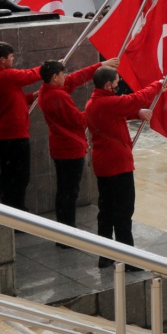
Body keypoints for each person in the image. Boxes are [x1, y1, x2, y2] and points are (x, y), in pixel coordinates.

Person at [85, 64, 161, 267]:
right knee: (123, 211)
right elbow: (134, 99)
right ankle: (128, 258)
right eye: (117, 83)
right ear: (108, 84)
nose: (118, 87)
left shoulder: (94, 103)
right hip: (118, 164)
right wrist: (157, 85)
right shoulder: (108, 103)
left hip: (103, 163)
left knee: (107, 211)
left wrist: (137, 114)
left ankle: (105, 255)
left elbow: (118, 112)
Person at [39, 56, 113, 233]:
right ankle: (68, 231)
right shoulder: (58, 96)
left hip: (59, 148)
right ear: (55, 77)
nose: (66, 77)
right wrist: (93, 107)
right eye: (63, 74)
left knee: (63, 190)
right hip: (70, 149)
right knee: (69, 193)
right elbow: (79, 121)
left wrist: (100, 65)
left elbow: (75, 79)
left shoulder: (46, 91)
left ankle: (62, 229)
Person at [0, 41, 50, 210]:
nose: (13, 59)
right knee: (19, 178)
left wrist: (32, 97)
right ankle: (18, 214)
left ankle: (11, 212)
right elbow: (29, 75)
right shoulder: (5, 76)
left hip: (5, 136)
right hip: (14, 137)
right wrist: (49, 67)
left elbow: (10, 101)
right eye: (11, 57)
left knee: (9, 178)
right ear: (2, 60)